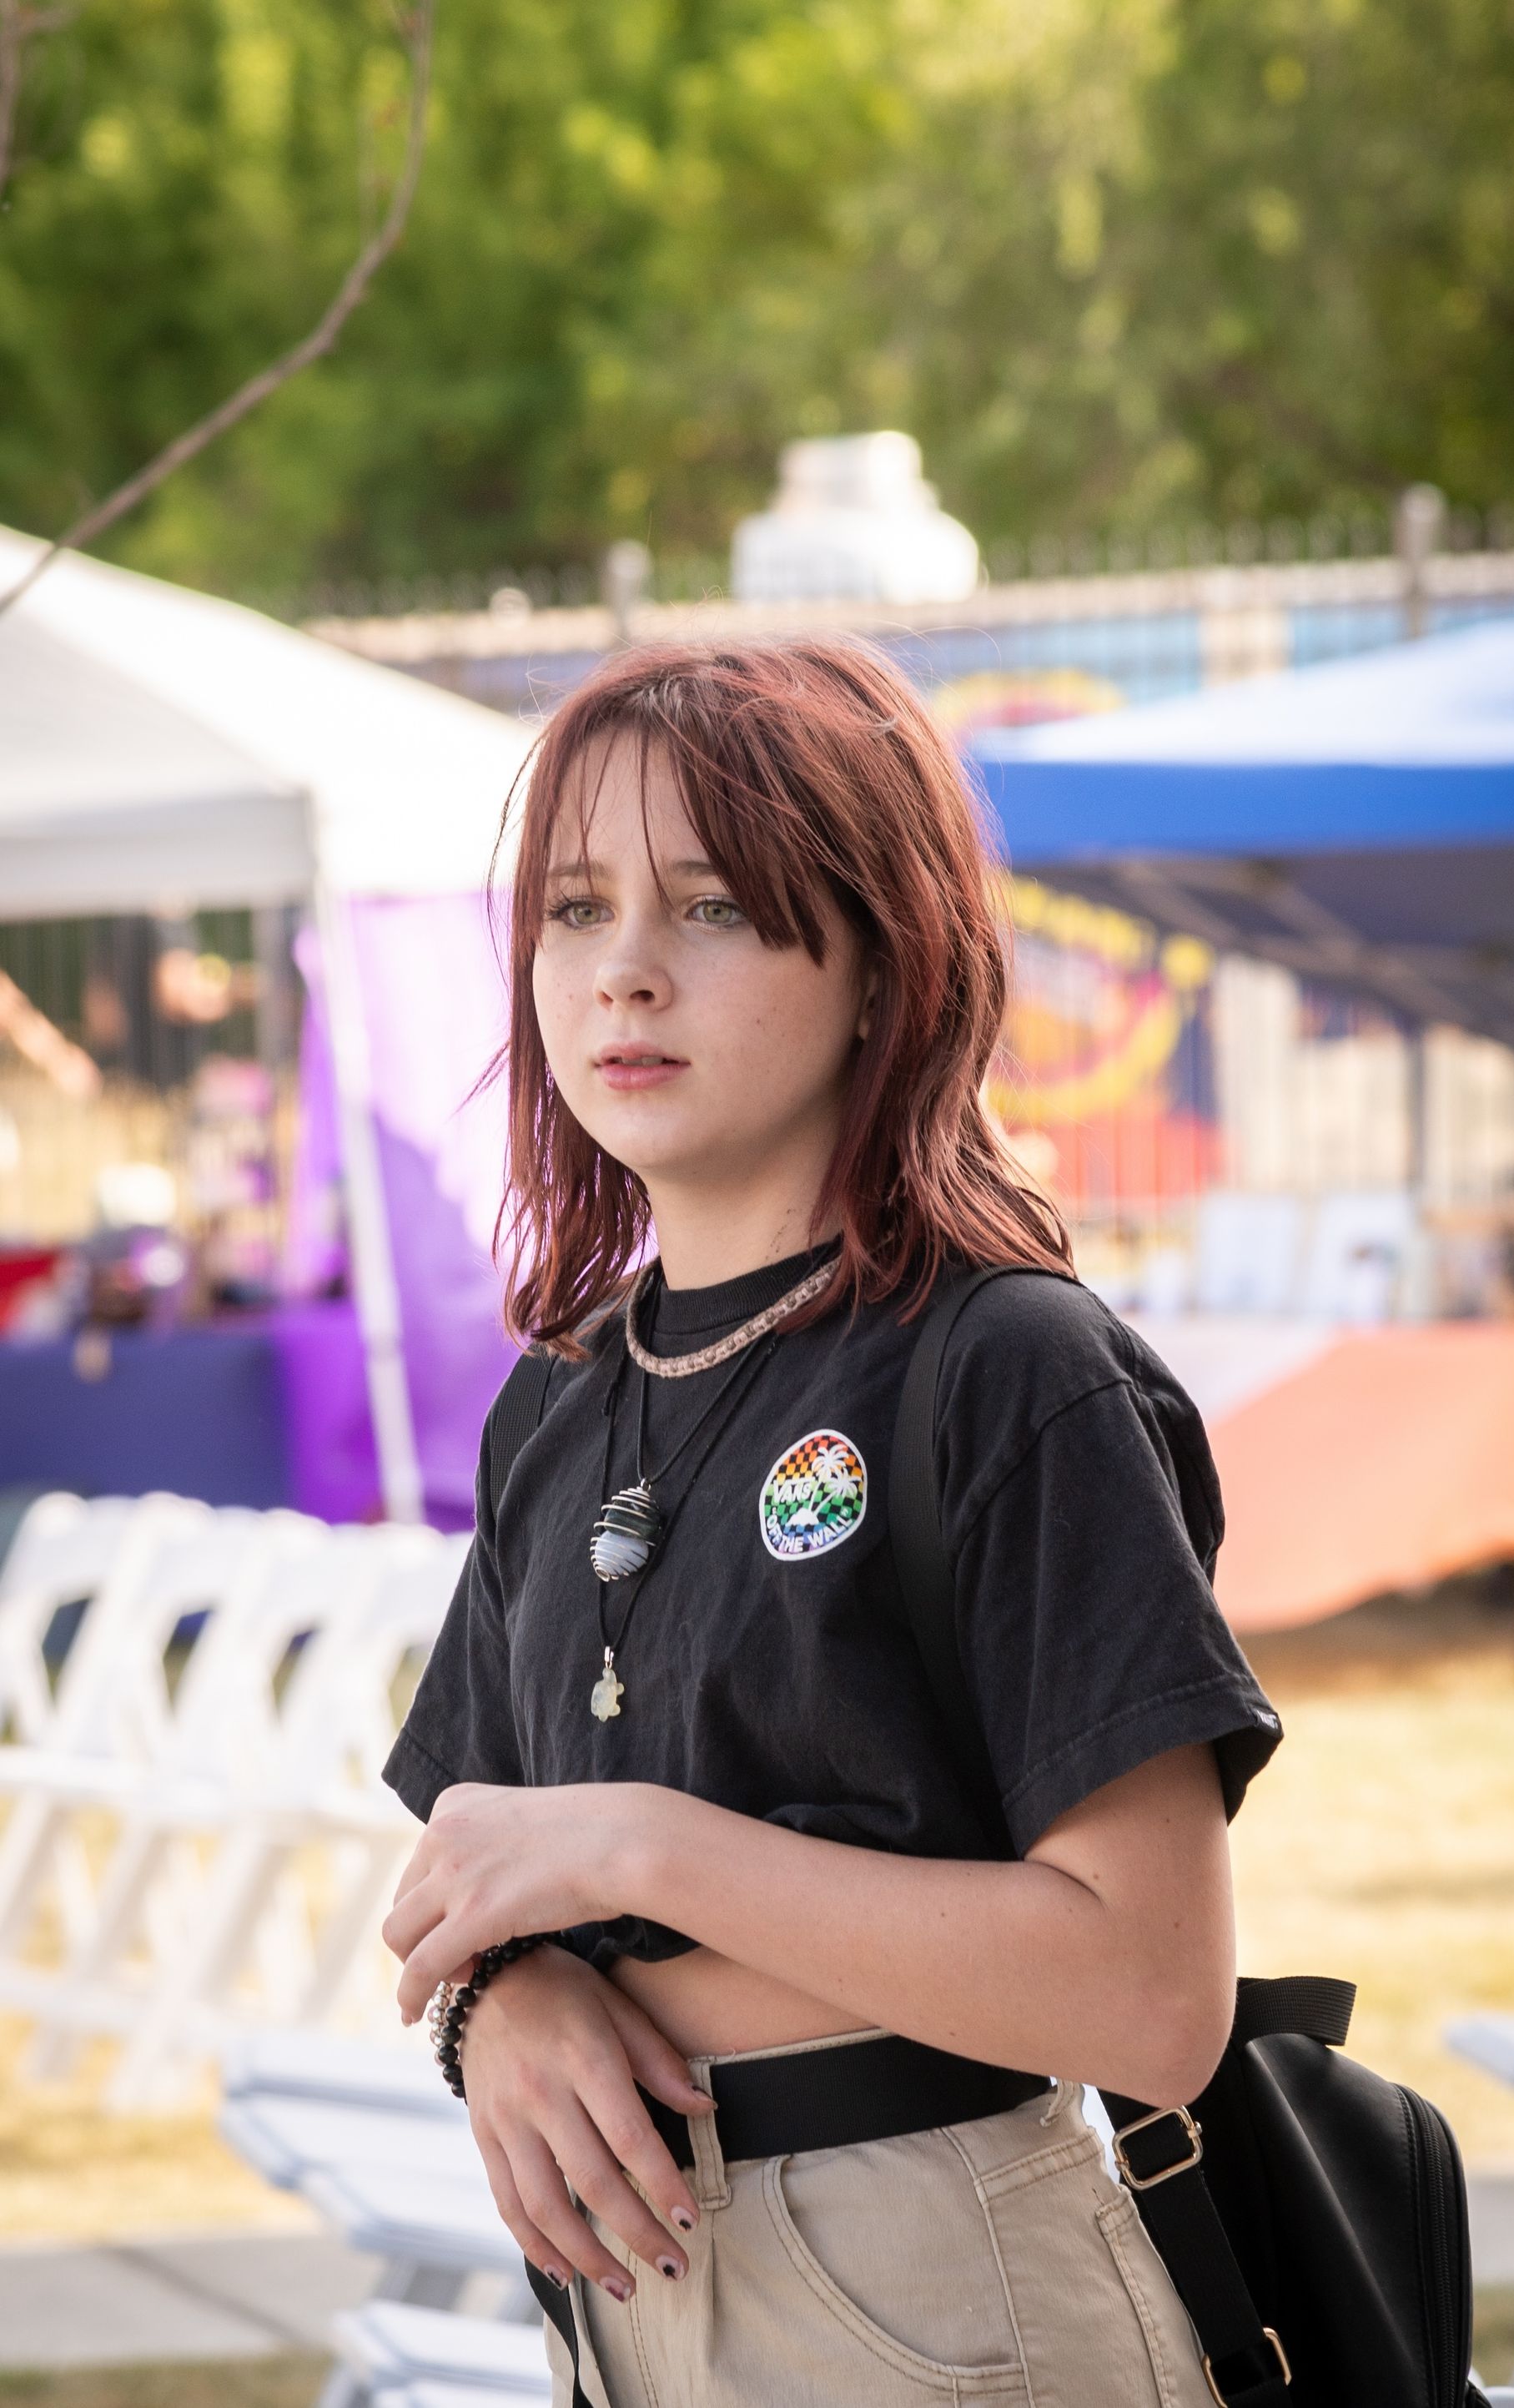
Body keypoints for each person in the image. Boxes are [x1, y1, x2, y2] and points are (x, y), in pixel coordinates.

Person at [380, 637, 1282, 2408]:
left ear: (886, 961)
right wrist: (503, 2011)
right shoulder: (559, 1395)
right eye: (575, 910)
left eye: (711, 908)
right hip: (628, 2302)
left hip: (946, 2294)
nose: (625, 973)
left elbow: (1155, 1999)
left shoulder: (1011, 1369)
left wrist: (637, 1852)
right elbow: (473, 1862)